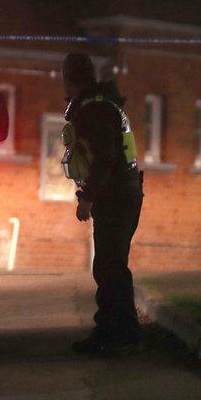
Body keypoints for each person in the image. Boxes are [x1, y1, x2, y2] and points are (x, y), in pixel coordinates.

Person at [60, 53, 144, 357]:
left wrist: (88, 197)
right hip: (123, 193)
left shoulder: (94, 109)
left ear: (70, 79)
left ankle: (110, 333)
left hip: (115, 196)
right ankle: (125, 332)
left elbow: (104, 157)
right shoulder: (101, 104)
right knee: (113, 266)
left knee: (108, 267)